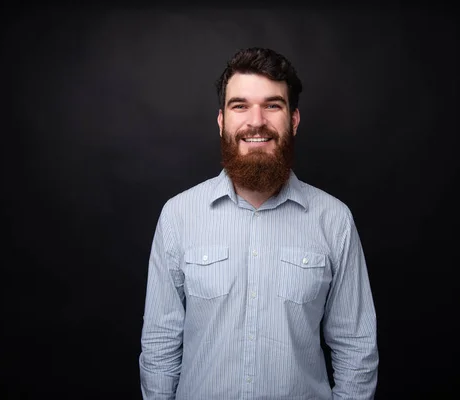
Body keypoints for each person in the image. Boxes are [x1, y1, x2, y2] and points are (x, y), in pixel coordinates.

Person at [139, 47, 379, 399]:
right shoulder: (178, 216)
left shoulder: (334, 220)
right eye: (240, 106)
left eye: (272, 105)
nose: (256, 121)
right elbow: (160, 344)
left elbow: (356, 348)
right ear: (221, 121)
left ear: (293, 120)